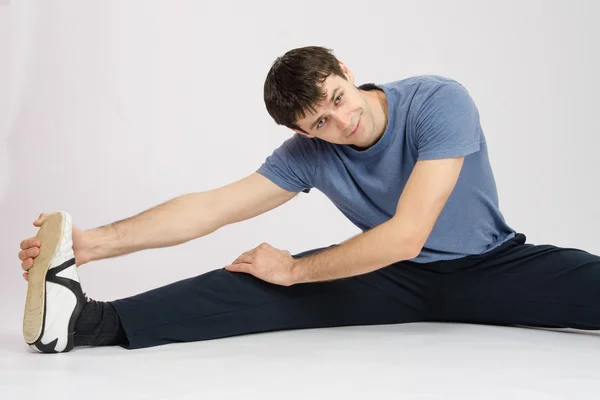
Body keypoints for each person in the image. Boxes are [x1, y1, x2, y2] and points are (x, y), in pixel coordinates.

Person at [18, 46, 600, 353]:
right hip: (389, 274)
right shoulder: (308, 152)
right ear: (301, 132)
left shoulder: (438, 101)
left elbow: (408, 232)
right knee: (248, 282)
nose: (341, 122)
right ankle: (84, 325)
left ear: (346, 70)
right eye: (320, 123)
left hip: (490, 264)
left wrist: (297, 270)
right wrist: (91, 243)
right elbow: (213, 206)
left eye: (340, 99)